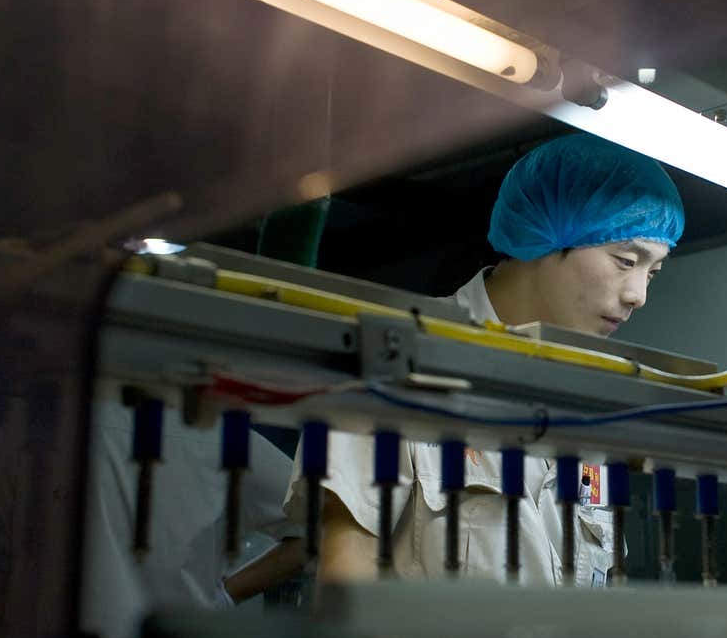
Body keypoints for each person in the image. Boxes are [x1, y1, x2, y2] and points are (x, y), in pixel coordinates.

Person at [284, 132, 685, 585]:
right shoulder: (395, 361)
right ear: (550, 234)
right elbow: (345, 583)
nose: (639, 295)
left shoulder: (594, 398)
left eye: (653, 271)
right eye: (625, 260)